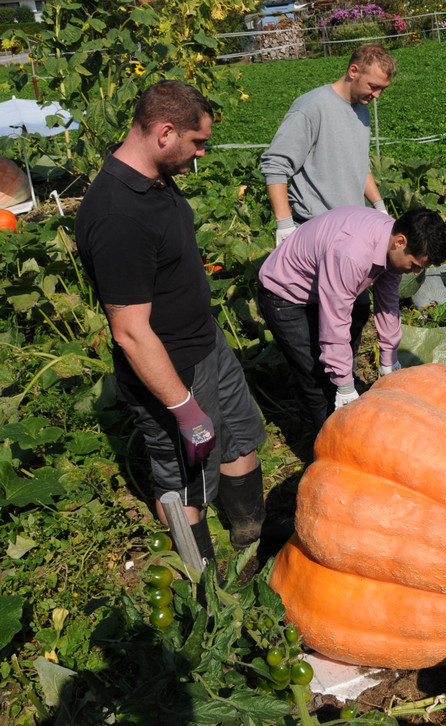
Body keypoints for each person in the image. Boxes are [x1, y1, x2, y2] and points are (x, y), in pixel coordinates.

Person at [75, 81, 268, 563]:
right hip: (172, 368)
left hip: (207, 342)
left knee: (239, 436)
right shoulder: (118, 215)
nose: (201, 153)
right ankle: (204, 584)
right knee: (184, 481)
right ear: (164, 133)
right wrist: (184, 410)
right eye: (197, 142)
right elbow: (130, 331)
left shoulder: (153, 178)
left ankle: (251, 539)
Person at [260, 43, 397, 365]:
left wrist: (379, 207)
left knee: (355, 316)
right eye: (373, 86)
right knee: (322, 331)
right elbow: (275, 166)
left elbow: (359, 165)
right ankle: (325, 387)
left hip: (353, 238)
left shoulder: (361, 109)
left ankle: (342, 382)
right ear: (353, 71)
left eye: (383, 89)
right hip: (318, 237)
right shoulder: (312, 107)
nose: (377, 95)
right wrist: (285, 226)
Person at [258, 207, 446, 431]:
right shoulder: (350, 253)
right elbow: (334, 321)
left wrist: (389, 360)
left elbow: (388, 302)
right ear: (400, 242)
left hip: (323, 284)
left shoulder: (390, 240)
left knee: (359, 308)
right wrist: (343, 383)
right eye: (415, 265)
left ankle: (342, 373)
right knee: (319, 381)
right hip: (285, 294)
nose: (416, 272)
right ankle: (329, 438)